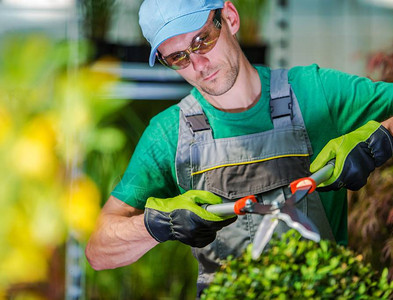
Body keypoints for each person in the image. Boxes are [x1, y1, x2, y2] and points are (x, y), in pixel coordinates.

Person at [85, 0, 393, 294]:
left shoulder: (315, 92)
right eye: (178, 58)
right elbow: (98, 251)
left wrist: (378, 140)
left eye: (202, 40)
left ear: (230, 18)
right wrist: (157, 224)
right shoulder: (168, 134)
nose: (198, 64)